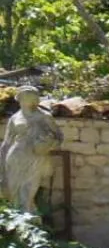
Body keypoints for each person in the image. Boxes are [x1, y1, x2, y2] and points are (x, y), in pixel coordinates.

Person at [0, 86, 62, 216]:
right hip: (16, 156)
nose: (27, 99)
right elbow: (7, 142)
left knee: (28, 191)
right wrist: (2, 162)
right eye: (24, 96)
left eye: (30, 96)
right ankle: (19, 222)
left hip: (35, 157)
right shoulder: (15, 118)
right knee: (13, 192)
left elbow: (59, 137)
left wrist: (48, 145)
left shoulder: (44, 116)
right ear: (20, 99)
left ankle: (28, 220)